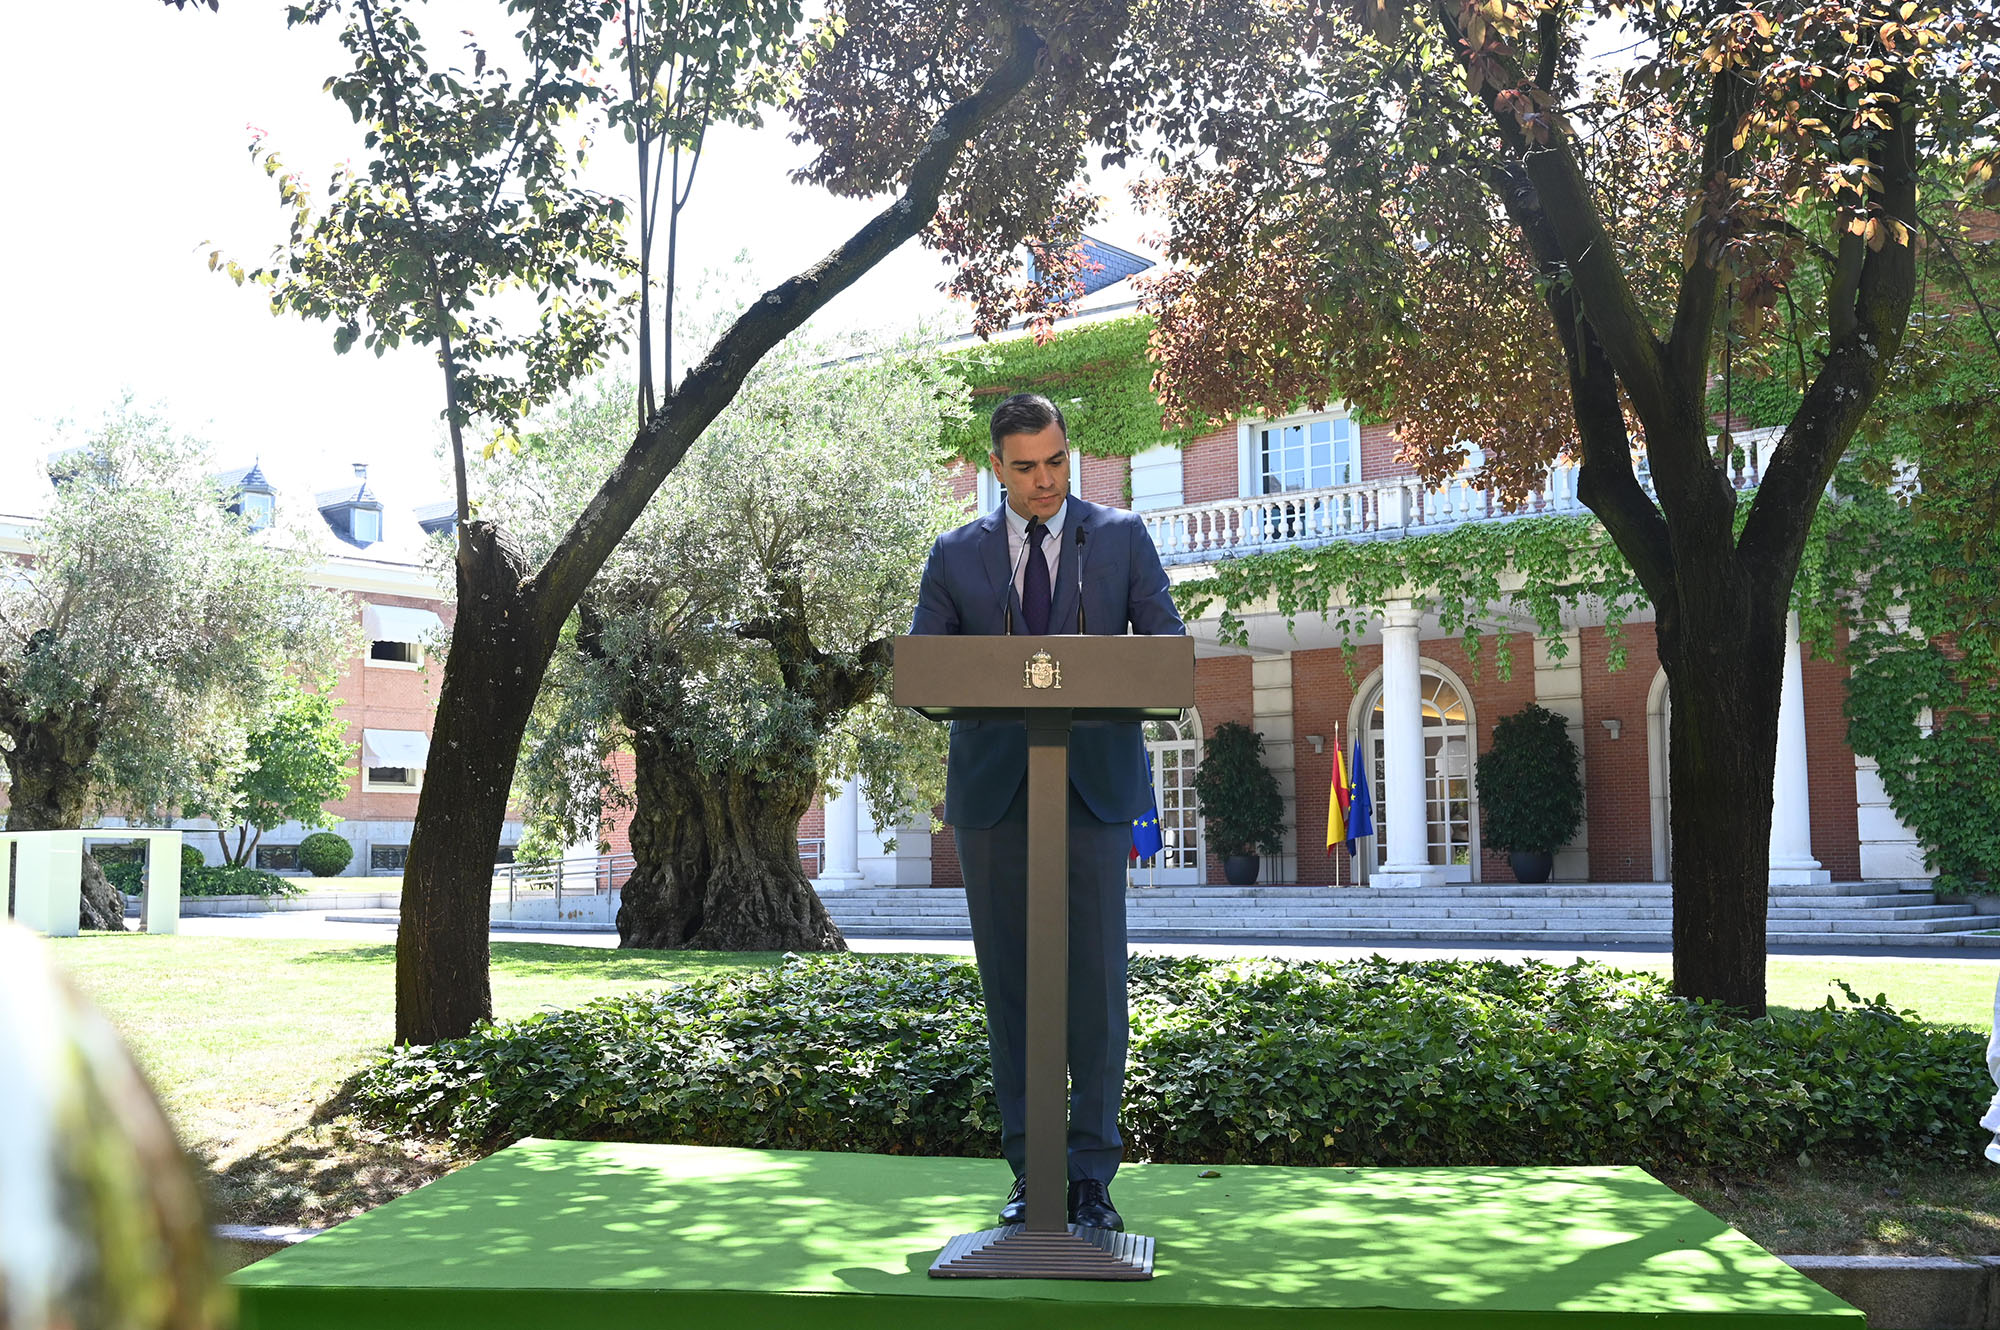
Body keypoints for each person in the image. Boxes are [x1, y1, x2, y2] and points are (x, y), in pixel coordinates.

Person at [909, 392, 1184, 1232]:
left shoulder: (1125, 538)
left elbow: (1167, 653)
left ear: (1072, 453)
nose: (1044, 481)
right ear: (996, 467)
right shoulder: (954, 555)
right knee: (1011, 994)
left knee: (1098, 991)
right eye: (1025, 467)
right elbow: (925, 677)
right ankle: (1031, 1177)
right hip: (996, 798)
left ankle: (1093, 1180)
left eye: (1057, 462)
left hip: (1095, 792)